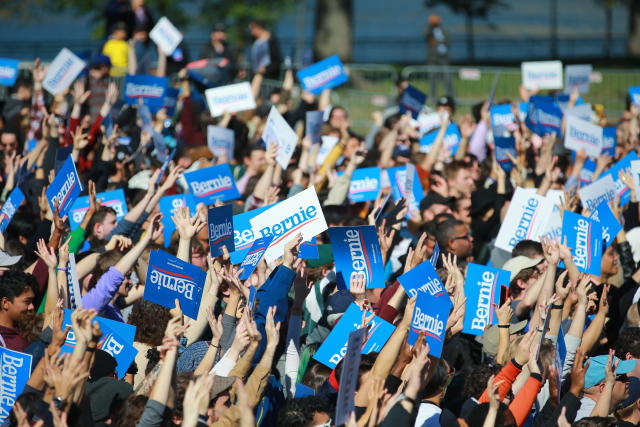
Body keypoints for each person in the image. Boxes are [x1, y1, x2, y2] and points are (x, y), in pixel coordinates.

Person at [425, 13, 454, 98]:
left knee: (448, 79)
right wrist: (430, 24)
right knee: (433, 80)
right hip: (433, 59)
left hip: (444, 57)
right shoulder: (429, 30)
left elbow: (448, 40)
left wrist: (436, 41)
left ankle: (450, 97)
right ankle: (433, 98)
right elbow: (426, 34)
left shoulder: (444, 30)